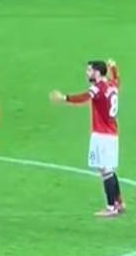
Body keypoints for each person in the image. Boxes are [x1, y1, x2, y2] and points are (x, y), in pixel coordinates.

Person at [50, 60, 124, 218]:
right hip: (112, 133)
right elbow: (117, 79)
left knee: (105, 171)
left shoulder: (98, 88)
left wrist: (64, 98)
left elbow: (84, 97)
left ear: (97, 72)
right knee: (109, 169)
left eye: (89, 70)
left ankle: (111, 207)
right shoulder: (112, 85)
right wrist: (114, 68)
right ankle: (119, 202)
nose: (87, 73)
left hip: (102, 135)